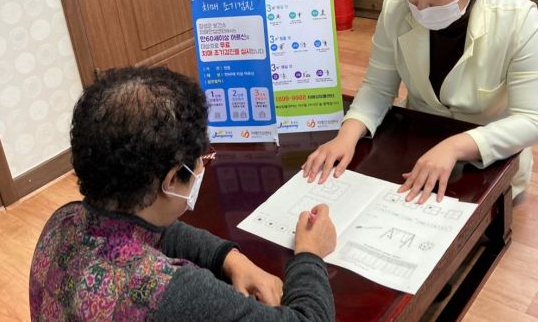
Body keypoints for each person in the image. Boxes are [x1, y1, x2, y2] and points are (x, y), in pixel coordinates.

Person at [30, 67, 337, 321]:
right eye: (201, 158)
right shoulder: (169, 290)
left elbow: (156, 231)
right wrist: (310, 252)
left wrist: (231, 259)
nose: (204, 165)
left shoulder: (63, 220)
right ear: (172, 179)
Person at [303, 0, 538, 204]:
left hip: (490, 155)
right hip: (417, 147)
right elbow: (378, 87)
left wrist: (456, 147)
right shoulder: (396, 7)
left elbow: (532, 120)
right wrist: (347, 134)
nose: (421, 4)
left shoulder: (519, 19)